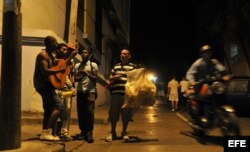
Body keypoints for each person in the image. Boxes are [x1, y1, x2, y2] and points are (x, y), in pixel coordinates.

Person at [33, 36, 77, 141]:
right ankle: (47, 131)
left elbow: (62, 64)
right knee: (60, 107)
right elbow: (45, 70)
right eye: (54, 42)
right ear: (49, 43)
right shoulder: (43, 55)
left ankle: (45, 133)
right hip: (43, 86)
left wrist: (71, 56)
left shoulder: (51, 56)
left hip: (47, 85)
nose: (56, 44)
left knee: (48, 110)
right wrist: (59, 71)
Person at [186, 44, 231, 123]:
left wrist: (226, 75)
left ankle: (218, 113)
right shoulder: (198, 63)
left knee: (221, 93)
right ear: (202, 54)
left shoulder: (214, 61)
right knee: (202, 98)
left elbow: (221, 69)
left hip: (212, 84)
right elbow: (190, 73)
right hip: (200, 84)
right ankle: (200, 117)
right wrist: (192, 81)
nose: (207, 54)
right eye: (205, 53)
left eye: (209, 52)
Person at [105, 48, 137, 142]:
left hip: (126, 95)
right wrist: (115, 77)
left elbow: (136, 79)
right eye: (121, 53)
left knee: (125, 114)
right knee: (113, 114)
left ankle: (124, 132)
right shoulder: (116, 66)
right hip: (115, 94)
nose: (122, 55)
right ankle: (112, 132)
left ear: (129, 56)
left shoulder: (133, 67)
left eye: (124, 54)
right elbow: (109, 78)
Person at [73, 47, 98, 143]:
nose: (84, 54)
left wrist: (87, 74)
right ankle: (83, 131)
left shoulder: (93, 65)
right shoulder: (77, 65)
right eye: (82, 53)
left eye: (86, 52)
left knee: (89, 112)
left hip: (90, 91)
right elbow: (76, 79)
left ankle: (89, 132)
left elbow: (95, 78)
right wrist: (81, 75)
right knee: (81, 112)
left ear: (89, 54)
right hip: (80, 91)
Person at [54, 43, 76, 140]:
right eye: (66, 50)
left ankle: (64, 132)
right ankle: (57, 132)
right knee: (59, 111)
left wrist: (71, 87)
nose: (67, 52)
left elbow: (66, 75)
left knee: (66, 112)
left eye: (69, 50)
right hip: (58, 89)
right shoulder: (56, 60)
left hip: (66, 89)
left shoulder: (70, 62)